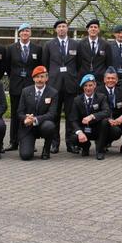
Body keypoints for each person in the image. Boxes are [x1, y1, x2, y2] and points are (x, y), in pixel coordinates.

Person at [42, 18, 80, 154]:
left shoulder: (76, 44)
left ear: (67, 28)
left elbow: (79, 65)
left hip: (71, 85)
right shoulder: (49, 45)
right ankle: (54, 143)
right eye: (59, 27)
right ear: (56, 30)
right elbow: (45, 65)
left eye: (64, 26)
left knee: (71, 116)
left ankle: (71, 144)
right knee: (54, 115)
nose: (62, 29)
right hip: (54, 86)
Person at [4, 22, 42, 152]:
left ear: (30, 33)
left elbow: (39, 68)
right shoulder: (10, 49)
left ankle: (29, 141)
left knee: (30, 114)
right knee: (16, 114)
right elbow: (7, 68)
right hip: (16, 86)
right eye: (22, 31)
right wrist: (15, 77)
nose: (25, 33)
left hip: (31, 87)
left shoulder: (37, 49)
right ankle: (13, 141)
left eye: (27, 31)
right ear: (19, 33)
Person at [17, 66, 58, 160]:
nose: (40, 79)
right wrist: (25, 118)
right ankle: (29, 145)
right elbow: (19, 112)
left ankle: (46, 150)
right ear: (33, 78)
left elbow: (52, 114)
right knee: (26, 156)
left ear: (47, 78)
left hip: (43, 125)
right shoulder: (25, 91)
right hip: (28, 127)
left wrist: (35, 119)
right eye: (37, 77)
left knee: (50, 126)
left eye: (42, 76)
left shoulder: (53, 93)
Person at [67, 74, 112, 159]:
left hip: (97, 129)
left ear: (95, 85)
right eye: (85, 86)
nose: (88, 88)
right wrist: (79, 132)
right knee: (72, 138)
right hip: (84, 130)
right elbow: (73, 119)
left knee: (105, 122)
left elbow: (107, 112)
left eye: (90, 85)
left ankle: (100, 150)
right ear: (83, 87)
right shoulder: (77, 100)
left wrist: (92, 116)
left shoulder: (101, 97)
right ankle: (85, 146)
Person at [100, 67, 122, 154]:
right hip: (105, 120)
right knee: (112, 130)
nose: (111, 80)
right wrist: (108, 119)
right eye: (108, 78)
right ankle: (102, 144)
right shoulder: (98, 91)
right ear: (104, 80)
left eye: (113, 78)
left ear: (117, 80)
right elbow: (96, 110)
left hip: (119, 120)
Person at [77, 19, 112, 84]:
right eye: (91, 27)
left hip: (100, 80)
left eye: (95, 27)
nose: (93, 29)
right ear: (88, 30)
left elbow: (109, 64)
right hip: (84, 79)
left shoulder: (106, 45)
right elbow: (78, 63)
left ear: (98, 30)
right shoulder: (80, 44)